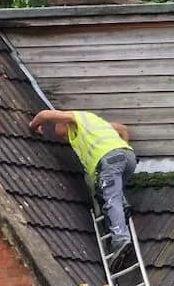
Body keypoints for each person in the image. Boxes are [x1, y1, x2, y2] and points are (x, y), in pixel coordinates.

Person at [29, 108, 136, 268]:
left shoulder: (75, 118)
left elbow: (45, 114)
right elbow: (123, 129)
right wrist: (123, 148)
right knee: (105, 188)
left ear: (65, 122)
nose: (64, 137)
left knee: (110, 199)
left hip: (110, 160)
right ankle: (122, 206)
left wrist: (33, 126)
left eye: (62, 133)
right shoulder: (95, 124)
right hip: (127, 158)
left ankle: (120, 239)